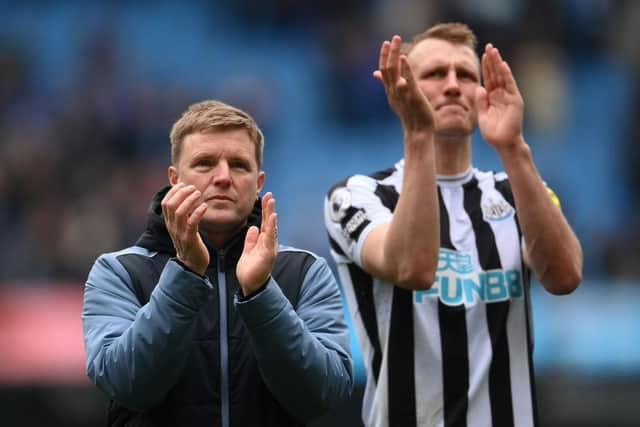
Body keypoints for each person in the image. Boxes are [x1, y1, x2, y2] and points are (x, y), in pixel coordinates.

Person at [324, 22, 582, 427]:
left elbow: (565, 275)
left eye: (465, 75)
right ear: (402, 86)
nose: (452, 85)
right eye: (434, 74)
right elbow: (415, 267)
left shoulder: (517, 192)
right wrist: (419, 134)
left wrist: (513, 147)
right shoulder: (357, 196)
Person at [83, 100, 353, 427]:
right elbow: (127, 386)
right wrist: (185, 273)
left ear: (259, 183)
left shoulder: (305, 271)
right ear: (174, 178)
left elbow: (323, 395)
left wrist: (260, 293)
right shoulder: (119, 271)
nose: (223, 177)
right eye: (205, 163)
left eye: (239, 165)